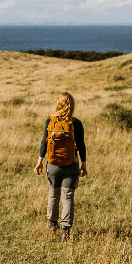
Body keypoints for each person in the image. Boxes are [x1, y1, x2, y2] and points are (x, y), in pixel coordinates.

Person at [34, 91, 87, 242]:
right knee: (68, 197)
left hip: (53, 164)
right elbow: (81, 145)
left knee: (53, 194)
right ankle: (66, 231)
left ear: (58, 103)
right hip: (71, 164)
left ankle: (52, 225)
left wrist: (39, 162)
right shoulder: (76, 123)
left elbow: (44, 143)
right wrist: (84, 164)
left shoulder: (50, 121)